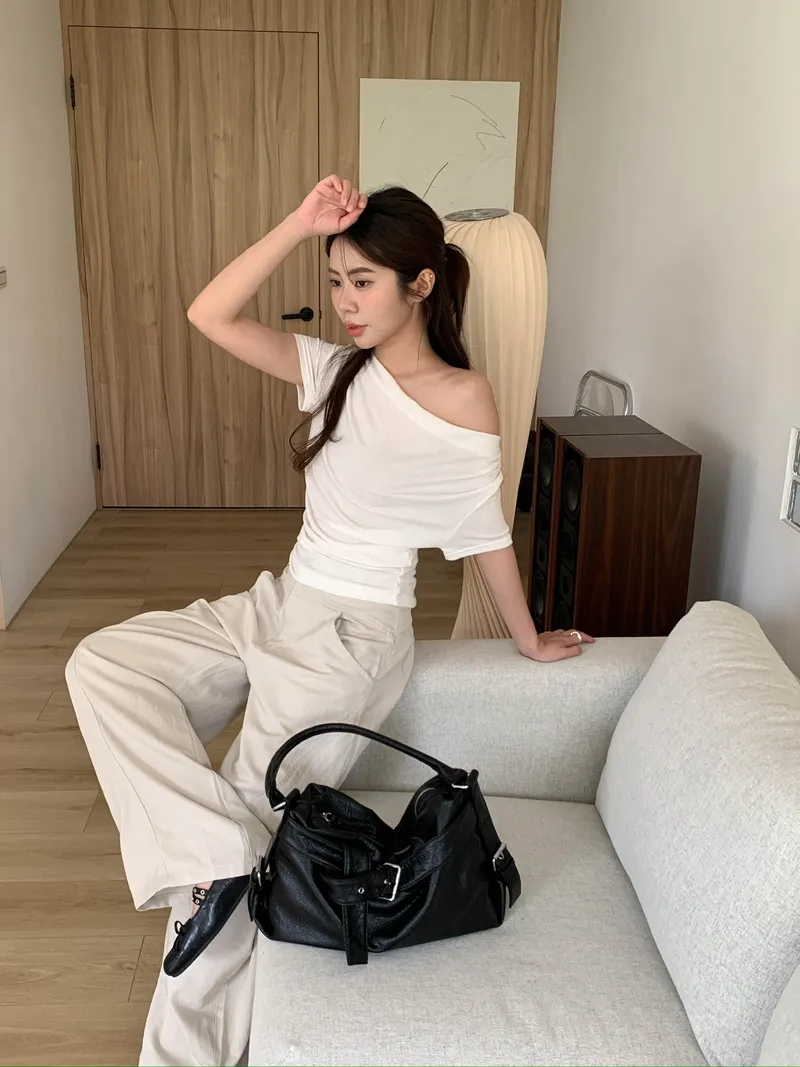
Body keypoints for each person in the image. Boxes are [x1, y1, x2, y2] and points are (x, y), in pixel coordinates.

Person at [65, 176, 594, 1067]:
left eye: (365, 282)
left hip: (351, 638)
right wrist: (299, 223)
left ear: (421, 284)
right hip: (277, 602)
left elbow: (486, 533)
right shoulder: (334, 369)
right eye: (337, 280)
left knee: (233, 846)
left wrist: (528, 636)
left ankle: (181, 1045)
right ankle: (219, 851)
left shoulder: (464, 396)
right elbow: (208, 313)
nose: (346, 302)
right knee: (103, 664)